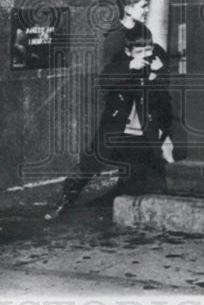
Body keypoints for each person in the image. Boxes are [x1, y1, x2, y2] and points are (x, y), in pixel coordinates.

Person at [46, 25, 173, 219]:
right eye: (140, 52)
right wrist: (131, 66)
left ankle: (142, 210)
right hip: (117, 124)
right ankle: (64, 203)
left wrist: (155, 75)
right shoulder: (121, 61)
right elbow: (105, 81)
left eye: (148, 49)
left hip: (143, 128)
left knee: (151, 170)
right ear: (128, 51)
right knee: (90, 164)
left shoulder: (158, 58)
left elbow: (158, 96)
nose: (146, 55)